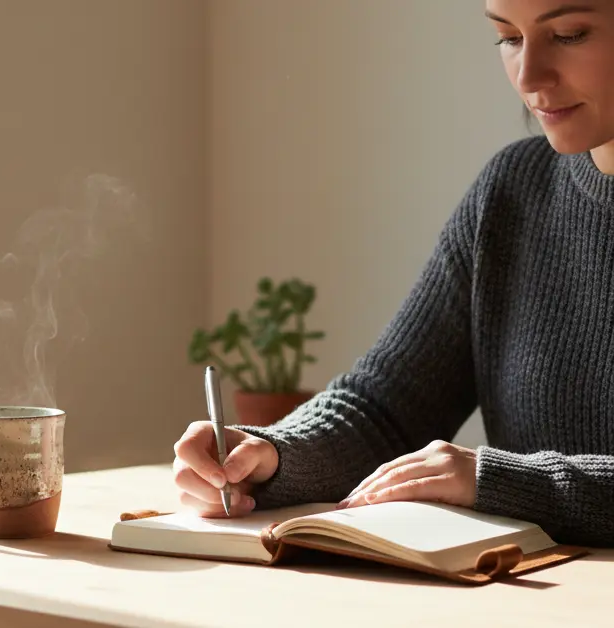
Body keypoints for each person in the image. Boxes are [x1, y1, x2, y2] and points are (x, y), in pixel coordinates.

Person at [172, 0, 614, 548]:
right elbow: (385, 410)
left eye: (569, 34)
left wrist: (502, 483)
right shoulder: (512, 192)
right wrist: (268, 454)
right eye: (508, 37)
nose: (528, 76)